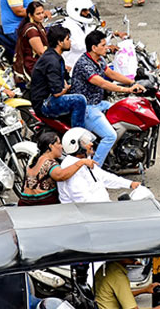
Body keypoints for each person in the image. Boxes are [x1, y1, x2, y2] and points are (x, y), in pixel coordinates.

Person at [70, 30, 144, 165]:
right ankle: (95, 169)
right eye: (103, 45)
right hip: (88, 108)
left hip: (99, 103)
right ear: (94, 48)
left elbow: (112, 74)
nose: (107, 48)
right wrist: (127, 89)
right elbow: (103, 83)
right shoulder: (84, 64)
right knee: (110, 136)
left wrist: (133, 82)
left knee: (127, 110)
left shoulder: (99, 59)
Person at [57, 128, 140, 203]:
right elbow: (83, 201)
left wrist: (130, 184)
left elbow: (104, 177)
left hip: (101, 208)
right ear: (75, 146)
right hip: (88, 214)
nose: (91, 144)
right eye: (85, 142)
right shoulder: (71, 169)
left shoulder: (85, 161)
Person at [30, 26, 87, 128]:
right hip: (45, 104)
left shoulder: (55, 57)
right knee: (79, 100)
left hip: (50, 98)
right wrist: (66, 88)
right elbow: (57, 93)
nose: (70, 42)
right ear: (60, 42)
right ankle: (78, 134)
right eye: (67, 39)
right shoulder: (52, 61)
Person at [19, 131, 95, 207]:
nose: (62, 146)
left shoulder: (36, 159)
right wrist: (81, 162)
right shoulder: (48, 163)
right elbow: (61, 176)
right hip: (39, 205)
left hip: (25, 202)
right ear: (51, 146)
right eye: (59, 143)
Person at [14, 0, 48, 83]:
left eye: (42, 13)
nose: (41, 16)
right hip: (33, 65)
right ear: (30, 15)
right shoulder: (31, 30)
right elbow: (41, 52)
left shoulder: (39, 25)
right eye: (38, 14)